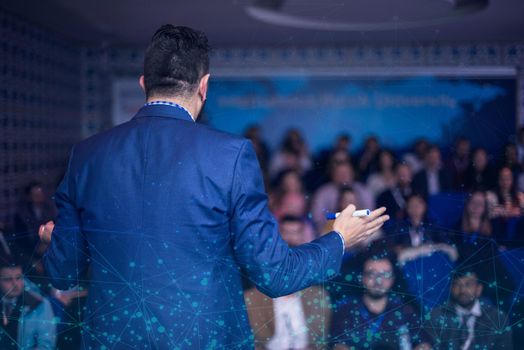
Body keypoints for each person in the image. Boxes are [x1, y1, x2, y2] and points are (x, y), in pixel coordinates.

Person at [38, 25, 389, 349]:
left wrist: (55, 244)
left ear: (144, 83)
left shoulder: (86, 156)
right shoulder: (231, 155)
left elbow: (63, 273)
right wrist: (340, 238)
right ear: (204, 85)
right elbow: (274, 274)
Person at [244, 216, 331, 349]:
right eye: (286, 233)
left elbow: (321, 342)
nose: (290, 240)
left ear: (304, 239)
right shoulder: (252, 299)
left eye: (296, 233)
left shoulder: (319, 296)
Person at [330, 253, 428, 349]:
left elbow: (424, 343)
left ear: (393, 279)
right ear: (362, 277)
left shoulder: (405, 309)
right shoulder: (346, 310)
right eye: (372, 274)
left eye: (385, 274)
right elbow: (339, 345)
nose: (378, 280)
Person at [422, 268, 513, 349]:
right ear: (451, 288)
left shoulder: (497, 317)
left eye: (468, 284)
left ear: (479, 289)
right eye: (457, 285)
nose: (462, 290)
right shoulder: (436, 316)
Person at [0, 255, 56, 349]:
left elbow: (46, 345)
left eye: (18, 277)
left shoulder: (40, 304)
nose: (15, 284)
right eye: (7, 279)